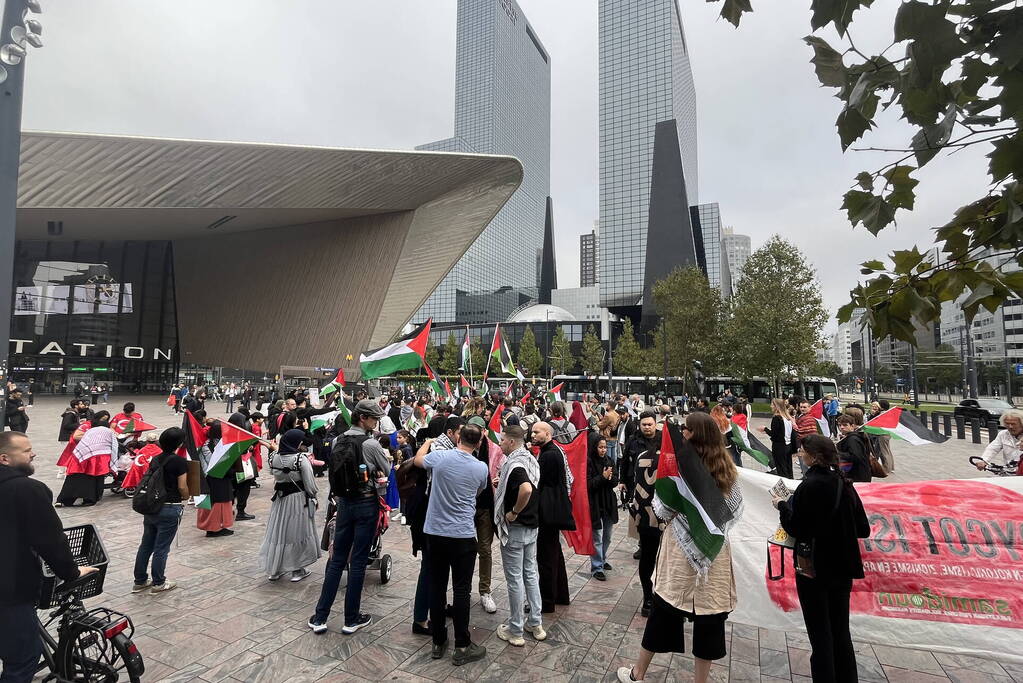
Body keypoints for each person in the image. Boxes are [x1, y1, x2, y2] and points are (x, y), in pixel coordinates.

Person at [617, 412, 744, 683]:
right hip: (713, 551)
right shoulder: (726, 467)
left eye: (685, 428)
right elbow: (733, 508)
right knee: (709, 619)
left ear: (693, 434)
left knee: (664, 610)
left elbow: (662, 509)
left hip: (680, 551)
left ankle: (638, 674)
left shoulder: (680, 466)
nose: (681, 432)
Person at [0, 431, 98, 682]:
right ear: (4, 459)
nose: (33, 453)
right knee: (22, 660)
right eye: (25, 450)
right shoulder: (27, 489)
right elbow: (51, 541)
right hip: (9, 591)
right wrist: (73, 572)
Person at [775, 435, 869, 682]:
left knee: (820, 634)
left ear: (814, 457)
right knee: (840, 631)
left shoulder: (810, 486)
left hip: (814, 569)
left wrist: (782, 506)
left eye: (803, 451)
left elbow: (796, 527)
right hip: (843, 567)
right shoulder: (844, 483)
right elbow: (863, 528)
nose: (800, 455)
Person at [310, 400, 391, 635]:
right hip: (366, 503)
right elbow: (386, 469)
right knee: (358, 561)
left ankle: (320, 617)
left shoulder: (338, 440)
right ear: (363, 418)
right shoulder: (371, 443)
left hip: (343, 504)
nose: (376, 423)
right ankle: (351, 619)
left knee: (336, 560)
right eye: (374, 418)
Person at [413, 423, 489, 666]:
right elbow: (479, 492)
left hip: (435, 533)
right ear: (477, 444)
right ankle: (462, 644)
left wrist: (427, 442)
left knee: (436, 587)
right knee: (462, 591)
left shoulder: (440, 457)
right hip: (462, 535)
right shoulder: (481, 468)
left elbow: (417, 461)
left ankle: (438, 641)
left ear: (458, 438)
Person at [493, 425, 547, 647]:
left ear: (512, 442)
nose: (500, 443)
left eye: (503, 440)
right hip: (532, 526)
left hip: (517, 527)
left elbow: (525, 488)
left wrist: (514, 511)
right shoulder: (529, 458)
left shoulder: (515, 464)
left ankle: (515, 630)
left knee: (515, 579)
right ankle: (535, 623)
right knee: (530, 574)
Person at [132, 428, 190, 594]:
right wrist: (186, 496)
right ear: (179, 444)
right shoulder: (179, 461)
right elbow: (182, 486)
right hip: (170, 506)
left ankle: (140, 580)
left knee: (146, 545)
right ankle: (159, 582)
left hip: (152, 506)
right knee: (161, 548)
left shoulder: (156, 459)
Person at [260, 429, 320, 582]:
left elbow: (273, 472)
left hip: (280, 501)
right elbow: (310, 484)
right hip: (298, 501)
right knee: (297, 532)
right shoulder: (300, 459)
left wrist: (273, 450)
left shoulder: (273, 458)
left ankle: (275, 570)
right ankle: (297, 570)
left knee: (278, 532)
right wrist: (313, 496)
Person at [532, 421, 573, 613]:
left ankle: (547, 601)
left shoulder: (549, 455)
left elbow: (540, 484)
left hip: (548, 511)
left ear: (548, 434)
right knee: (554, 553)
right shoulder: (552, 451)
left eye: (536, 432)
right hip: (553, 509)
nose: (532, 435)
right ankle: (560, 595)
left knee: (546, 557)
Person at [626, 411, 664, 616]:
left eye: (650, 424)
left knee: (660, 558)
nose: (647, 427)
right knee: (649, 556)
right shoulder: (635, 442)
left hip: (661, 514)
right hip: (646, 510)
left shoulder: (668, 450)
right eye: (644, 424)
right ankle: (648, 598)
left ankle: (659, 598)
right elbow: (626, 463)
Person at [466, 414, 501, 614]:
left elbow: (503, 471)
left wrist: (499, 480)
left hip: (486, 507)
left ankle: (485, 591)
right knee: (464, 549)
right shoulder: (462, 449)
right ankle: (463, 589)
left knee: (485, 550)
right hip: (466, 507)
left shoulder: (495, 450)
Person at [56, 411, 115, 507]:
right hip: (92, 456)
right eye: (103, 419)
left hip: (83, 454)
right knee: (90, 476)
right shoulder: (88, 426)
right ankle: (88, 498)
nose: (104, 421)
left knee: (77, 478)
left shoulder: (96, 429)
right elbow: (76, 436)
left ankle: (65, 499)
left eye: (106, 419)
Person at [196, 423, 236, 537]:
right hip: (217, 478)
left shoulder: (205, 443)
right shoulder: (220, 445)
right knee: (218, 503)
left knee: (212, 503)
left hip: (208, 478)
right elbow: (216, 463)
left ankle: (214, 527)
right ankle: (215, 528)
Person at [587, 436, 618, 580]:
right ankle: (597, 567)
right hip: (595, 503)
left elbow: (615, 481)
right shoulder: (589, 462)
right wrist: (603, 477)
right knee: (597, 537)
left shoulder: (609, 461)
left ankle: (603, 558)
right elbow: (588, 485)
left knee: (607, 536)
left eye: (605, 447)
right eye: (600, 447)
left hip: (608, 503)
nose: (603, 450)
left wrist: (610, 478)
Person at [762, 398, 796, 479]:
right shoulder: (788, 418)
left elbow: (774, 435)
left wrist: (765, 429)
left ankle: (785, 486)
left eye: (772, 404)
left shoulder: (777, 418)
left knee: (781, 469)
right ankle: (790, 482)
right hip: (788, 445)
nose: (771, 406)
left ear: (776, 406)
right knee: (788, 467)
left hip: (779, 446)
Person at [835, 415, 872, 482]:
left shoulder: (852, 439)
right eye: (839, 425)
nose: (841, 427)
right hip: (857, 473)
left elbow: (856, 457)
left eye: (845, 425)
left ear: (852, 426)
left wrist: (837, 453)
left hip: (857, 475)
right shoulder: (851, 436)